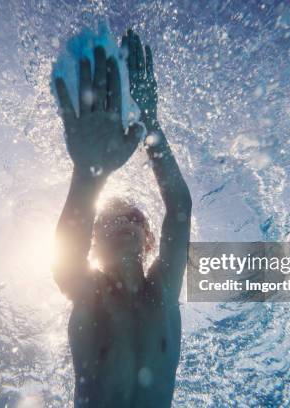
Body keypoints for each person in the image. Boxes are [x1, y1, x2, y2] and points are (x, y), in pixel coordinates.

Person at [53, 29, 192, 408]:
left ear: (149, 238)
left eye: (132, 216)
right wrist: (88, 175)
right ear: (93, 242)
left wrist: (154, 128)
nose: (123, 221)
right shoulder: (88, 292)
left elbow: (179, 211)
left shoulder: (163, 290)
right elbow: (65, 262)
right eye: (108, 220)